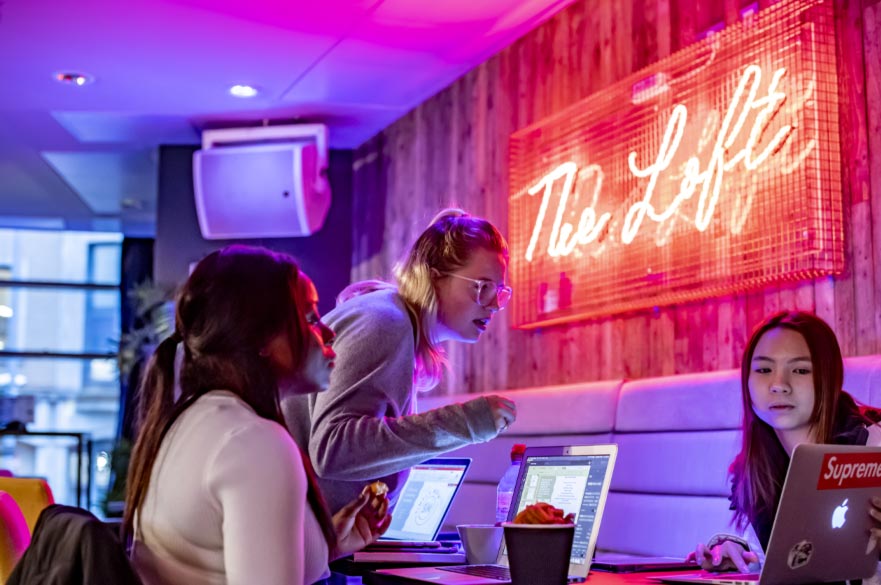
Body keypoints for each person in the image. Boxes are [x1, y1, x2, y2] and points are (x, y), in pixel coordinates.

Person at [123, 245, 391, 585]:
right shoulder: (254, 442)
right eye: (309, 317)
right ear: (261, 337)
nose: (327, 332)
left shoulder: (192, 419)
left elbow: (218, 558)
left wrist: (326, 545)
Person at [283, 209, 518, 512]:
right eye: (482, 287)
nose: (494, 306)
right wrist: (466, 422)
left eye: (499, 293)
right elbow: (335, 448)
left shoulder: (392, 320)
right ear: (435, 277)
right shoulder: (387, 322)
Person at [689, 311, 881, 574]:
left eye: (800, 370)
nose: (779, 385)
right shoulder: (753, 471)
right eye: (764, 370)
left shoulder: (872, 444)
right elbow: (795, 564)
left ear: (830, 378)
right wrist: (737, 555)